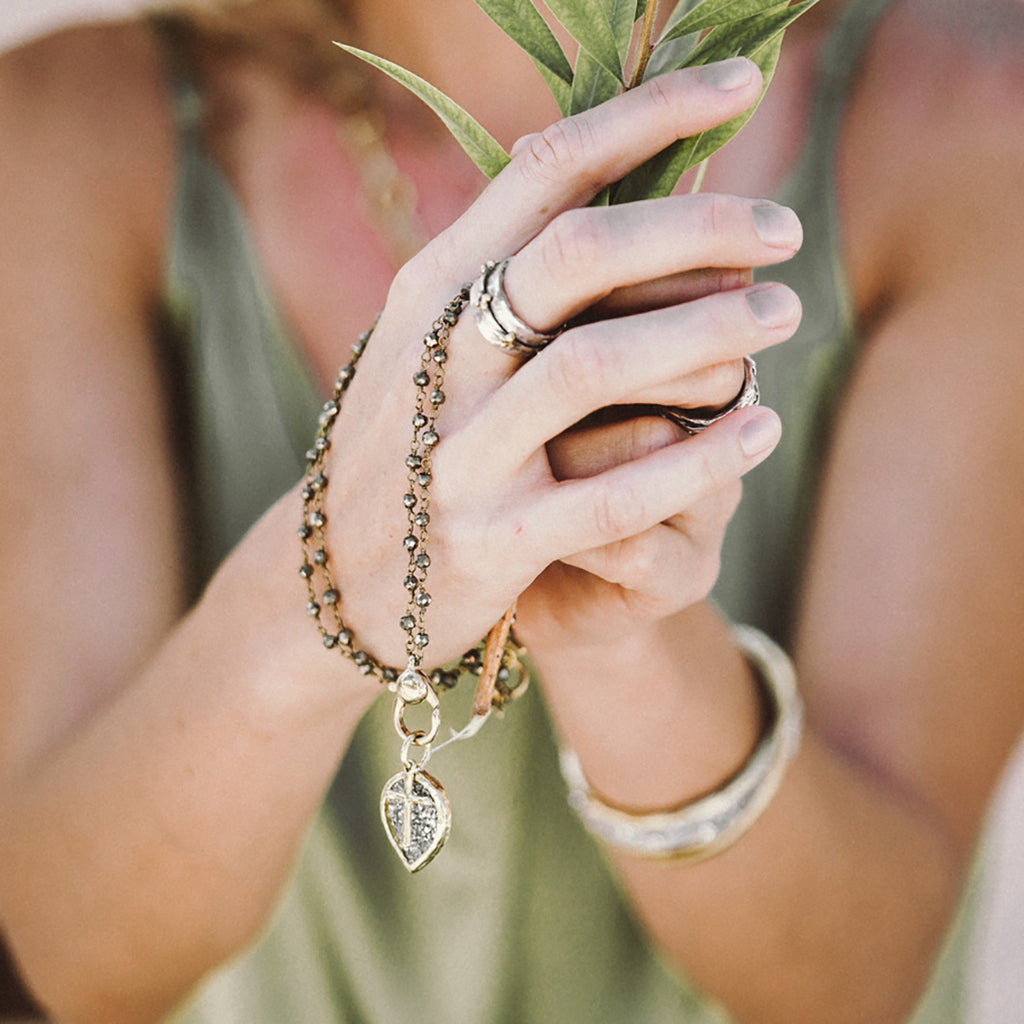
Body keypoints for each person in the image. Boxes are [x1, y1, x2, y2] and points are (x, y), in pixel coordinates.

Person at [0, 0, 1022, 1022]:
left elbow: (864, 965)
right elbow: (63, 954)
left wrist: (615, 597)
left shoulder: (964, 128)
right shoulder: (70, 133)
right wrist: (322, 586)